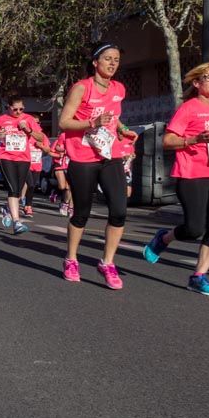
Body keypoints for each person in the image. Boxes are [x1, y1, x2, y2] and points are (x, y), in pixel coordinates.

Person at [143, 63, 209, 296]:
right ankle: (164, 238)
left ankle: (199, 276)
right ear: (196, 83)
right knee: (194, 228)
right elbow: (167, 141)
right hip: (192, 174)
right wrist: (195, 140)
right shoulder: (188, 108)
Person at [58, 44, 138, 288]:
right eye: (107, 59)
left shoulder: (119, 89)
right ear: (95, 62)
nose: (112, 63)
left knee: (119, 210)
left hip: (109, 154)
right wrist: (91, 122)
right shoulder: (82, 87)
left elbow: (114, 116)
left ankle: (107, 262)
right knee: (81, 212)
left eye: (116, 59)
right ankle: (71, 259)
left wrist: (123, 130)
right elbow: (64, 122)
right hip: (82, 156)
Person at [0, 96, 46, 235]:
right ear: (8, 107)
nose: (18, 111)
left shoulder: (28, 119)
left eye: (21, 109)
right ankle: (17, 222)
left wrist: (28, 130)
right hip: (6, 157)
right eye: (15, 109)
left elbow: (41, 137)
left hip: (23, 158)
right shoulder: (1, 120)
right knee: (13, 188)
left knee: (19, 189)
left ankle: (7, 207)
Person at [50, 132, 71, 216]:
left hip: (69, 166)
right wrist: (59, 156)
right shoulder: (58, 141)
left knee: (68, 187)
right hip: (59, 165)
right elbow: (50, 152)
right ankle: (55, 191)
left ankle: (64, 204)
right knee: (62, 186)